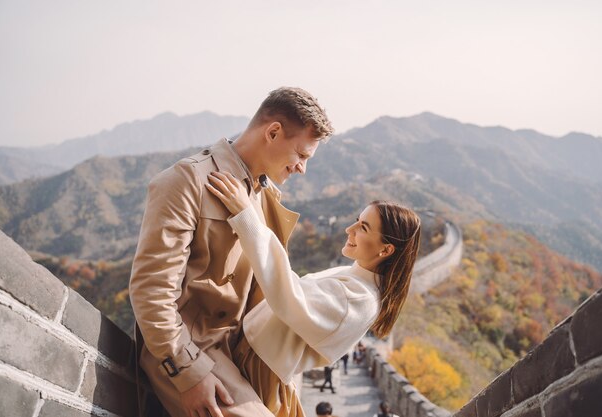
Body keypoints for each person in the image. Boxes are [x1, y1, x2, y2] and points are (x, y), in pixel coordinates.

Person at [129, 87, 333, 417]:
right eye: (302, 155)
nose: (302, 168)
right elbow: (151, 292)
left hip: (244, 359)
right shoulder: (188, 180)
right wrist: (188, 374)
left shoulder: (265, 197)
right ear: (273, 132)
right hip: (193, 352)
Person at [207, 172, 421, 417]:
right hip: (251, 355)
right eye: (356, 220)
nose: (348, 229)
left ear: (386, 249)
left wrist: (247, 217)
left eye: (363, 227)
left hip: (258, 371)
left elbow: (288, 294)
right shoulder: (355, 276)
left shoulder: (359, 299)